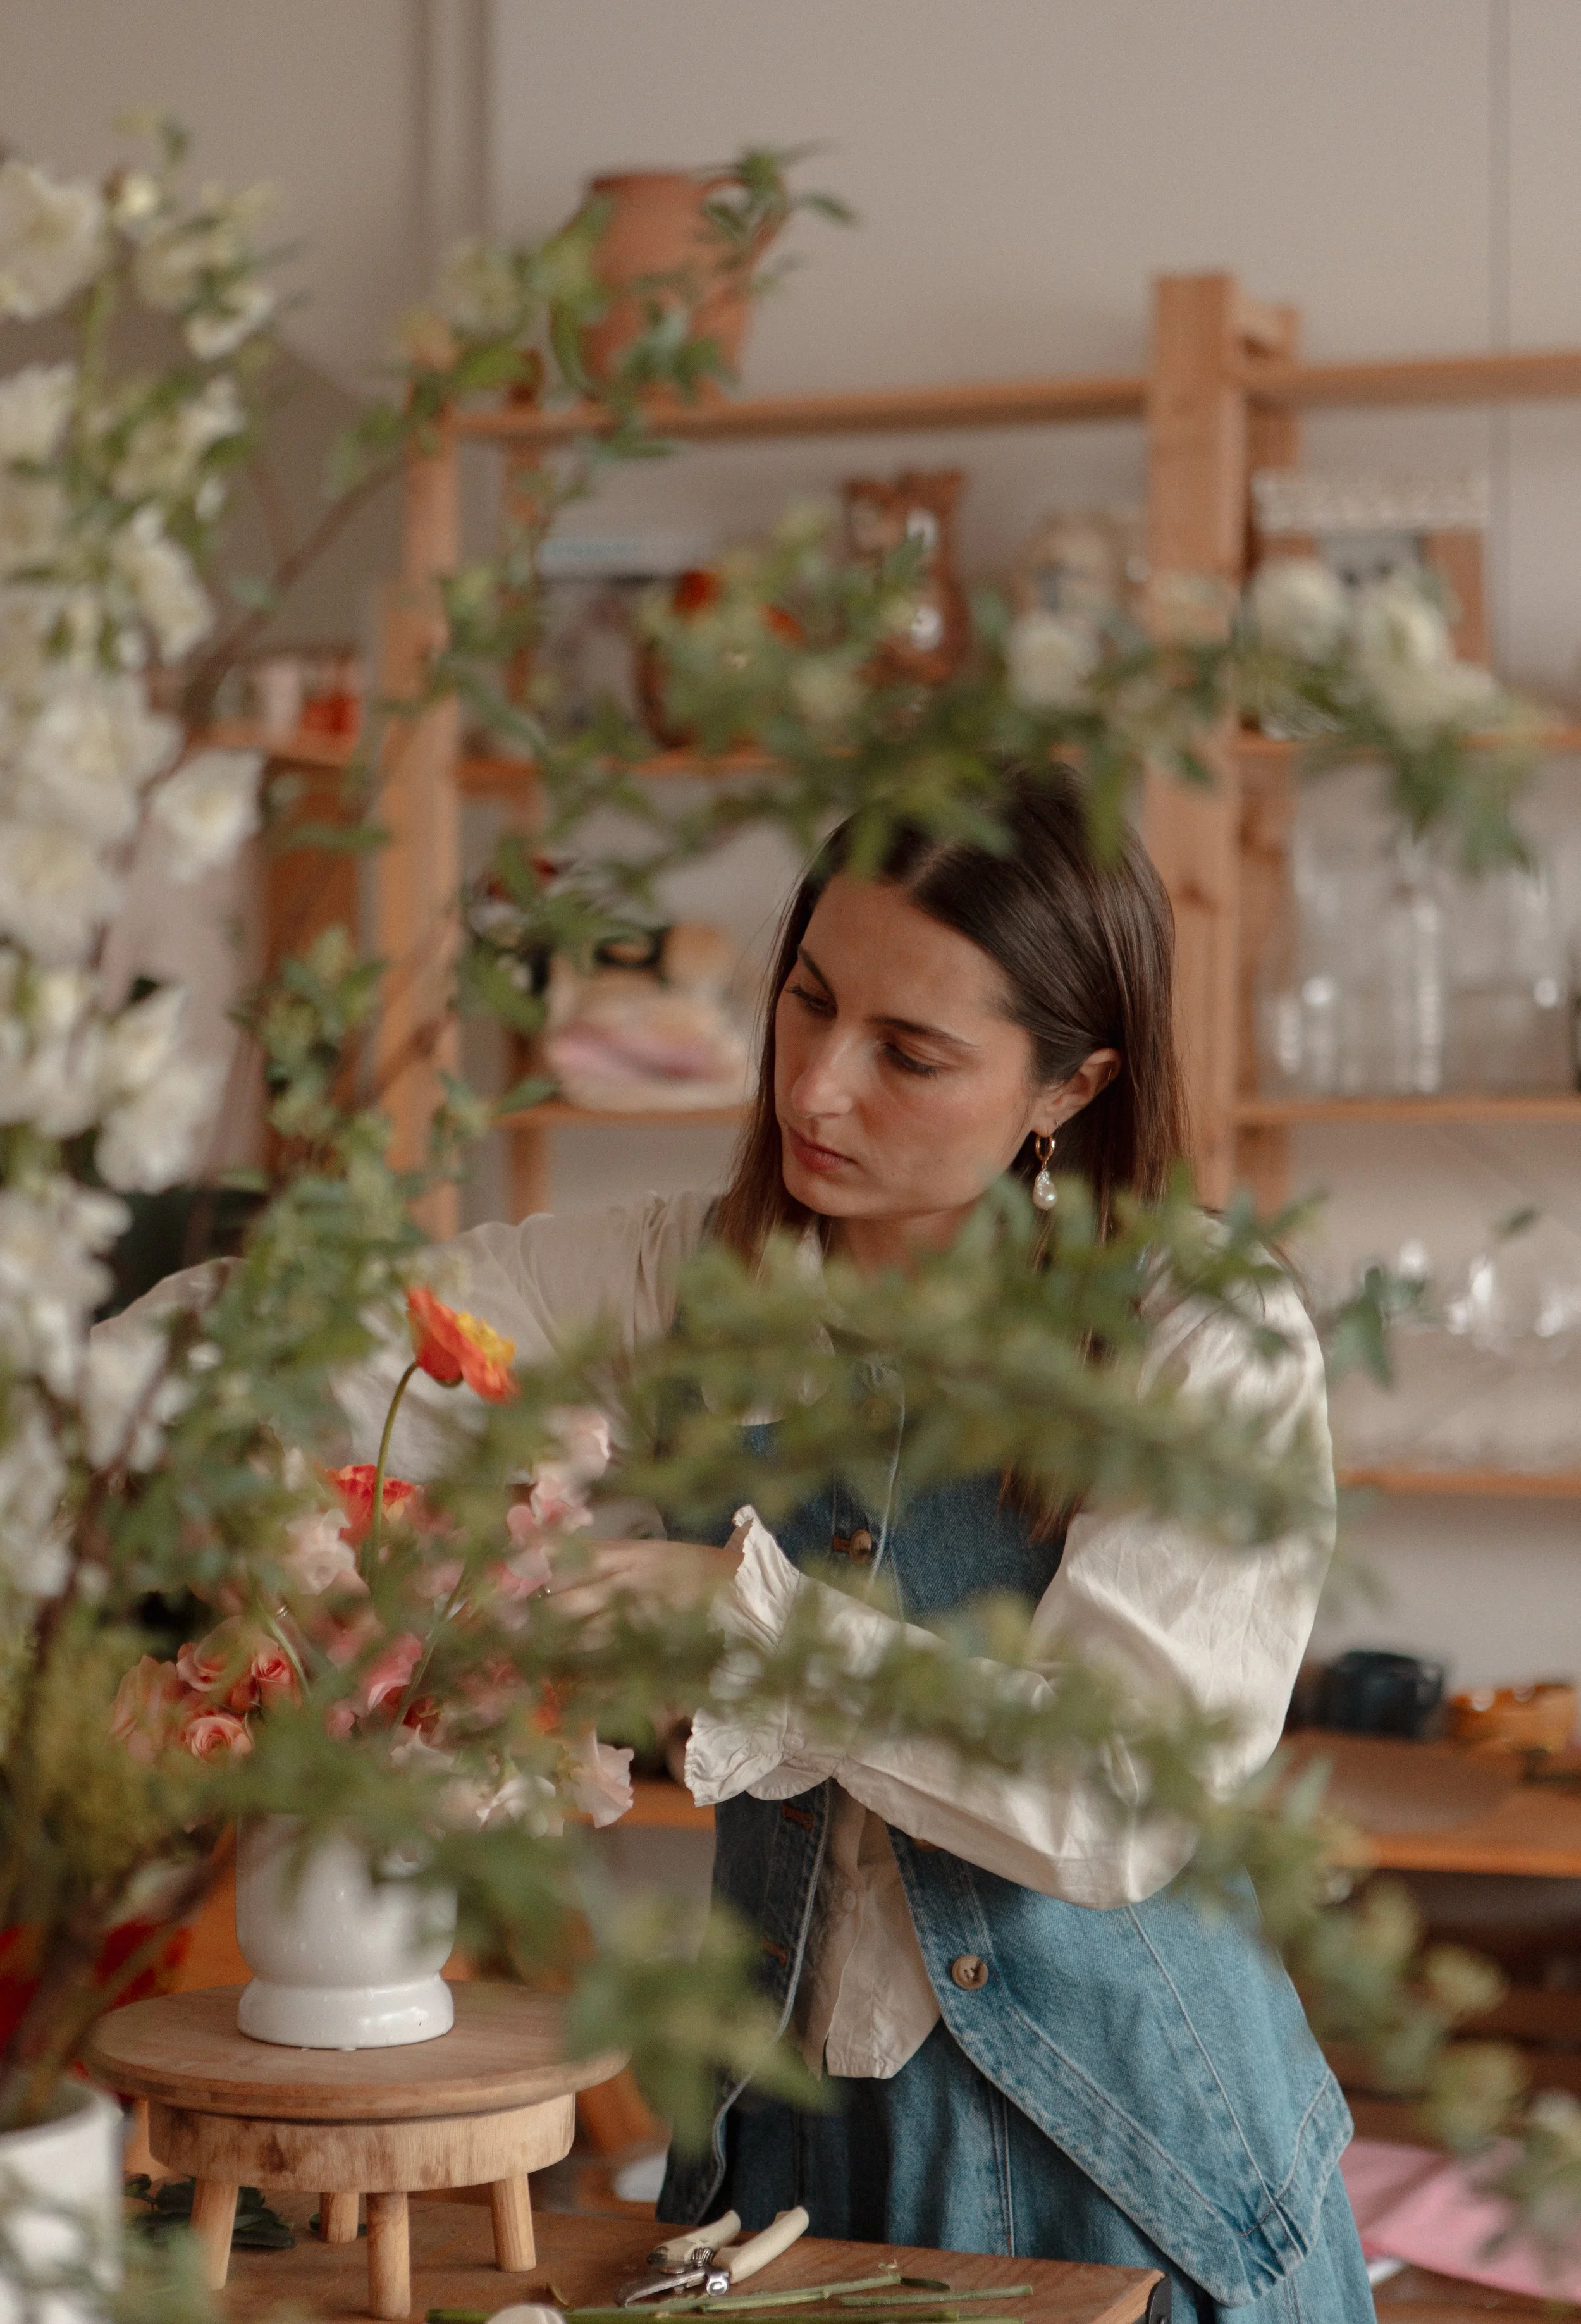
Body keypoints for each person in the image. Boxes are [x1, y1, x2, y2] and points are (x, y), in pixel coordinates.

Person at [143, 766, 1372, 2317]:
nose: (814, 1090)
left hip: (1130, 2187)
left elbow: (1112, 1791)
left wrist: (726, 1615)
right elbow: (342, 1345)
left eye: (909, 1056)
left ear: (1069, 1087)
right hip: (779, 2165)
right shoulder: (690, 1280)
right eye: (805, 1001)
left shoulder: (1203, 1335)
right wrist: (92, 1390)